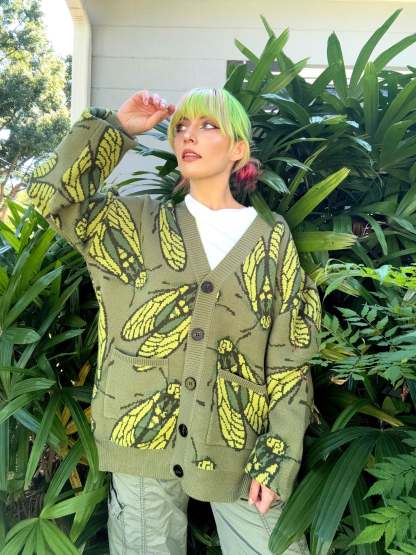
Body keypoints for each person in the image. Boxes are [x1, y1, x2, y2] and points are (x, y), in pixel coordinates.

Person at [27, 87, 321, 554]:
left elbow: (290, 354)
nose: (188, 135)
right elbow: (52, 197)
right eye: (181, 126)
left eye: (207, 125)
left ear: (238, 149)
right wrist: (115, 128)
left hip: (239, 441)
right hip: (140, 435)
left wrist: (277, 457)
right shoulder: (135, 224)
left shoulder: (271, 239)